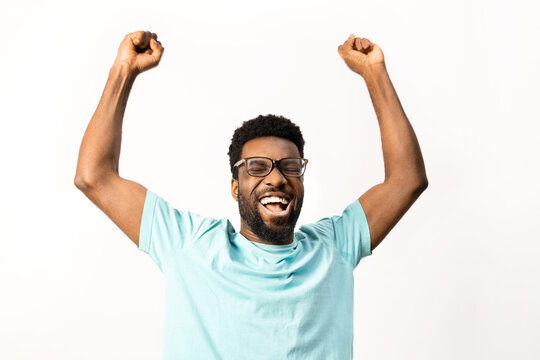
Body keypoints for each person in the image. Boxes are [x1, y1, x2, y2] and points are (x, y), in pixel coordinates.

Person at [74, 30, 428, 359]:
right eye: (257, 167)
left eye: (290, 166)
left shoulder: (334, 246)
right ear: (234, 186)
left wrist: (374, 72)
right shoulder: (188, 244)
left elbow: (407, 180)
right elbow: (94, 177)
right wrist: (123, 71)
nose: (276, 178)